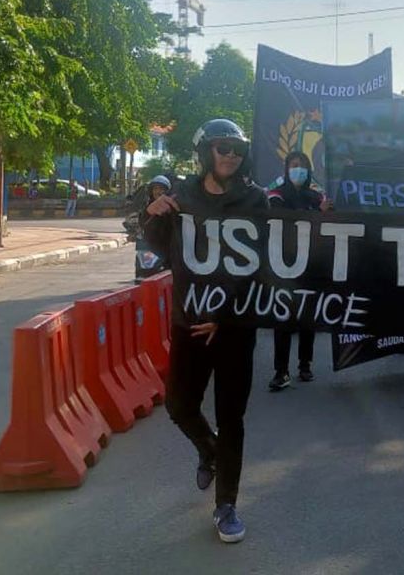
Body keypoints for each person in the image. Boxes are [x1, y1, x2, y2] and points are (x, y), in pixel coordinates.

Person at [141, 119, 267, 544]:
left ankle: (226, 504)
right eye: (222, 147)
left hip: (235, 327)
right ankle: (208, 450)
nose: (230, 155)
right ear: (205, 152)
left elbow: (267, 264)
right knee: (179, 405)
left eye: (237, 149)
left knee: (232, 417)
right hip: (189, 324)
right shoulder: (182, 198)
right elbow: (159, 248)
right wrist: (152, 215)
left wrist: (226, 315)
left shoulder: (255, 200)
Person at [266, 150, 333, 391]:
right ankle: (281, 371)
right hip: (283, 265)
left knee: (308, 318)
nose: (298, 169)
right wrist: (317, 213)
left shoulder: (316, 196)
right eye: (294, 165)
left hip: (311, 265)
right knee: (283, 319)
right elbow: (282, 218)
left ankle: (305, 365)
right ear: (286, 168)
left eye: (302, 165)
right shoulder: (276, 194)